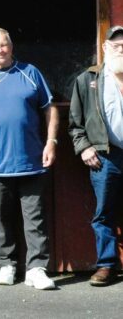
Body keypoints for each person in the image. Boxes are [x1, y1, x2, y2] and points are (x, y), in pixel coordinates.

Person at [0, 27, 58, 290]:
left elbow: (49, 109)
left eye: (4, 45)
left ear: (11, 46)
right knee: (1, 218)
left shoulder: (30, 73)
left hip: (31, 161)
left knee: (35, 218)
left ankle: (36, 269)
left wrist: (51, 142)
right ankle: (7, 265)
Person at [69, 25, 123, 286]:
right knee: (104, 213)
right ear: (104, 49)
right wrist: (85, 147)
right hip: (106, 156)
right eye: (115, 45)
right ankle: (107, 265)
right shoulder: (87, 80)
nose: (120, 49)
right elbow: (75, 124)